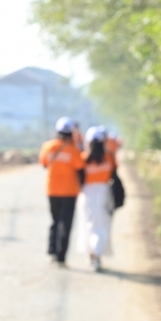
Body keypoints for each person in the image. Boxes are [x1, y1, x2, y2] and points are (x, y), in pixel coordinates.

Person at [39, 116, 85, 267]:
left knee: (54, 221)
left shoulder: (47, 146)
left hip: (52, 191)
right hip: (69, 192)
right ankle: (61, 257)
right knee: (66, 224)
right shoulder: (74, 150)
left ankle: (51, 251)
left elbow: (44, 164)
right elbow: (81, 171)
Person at [77, 126, 117, 271]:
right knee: (102, 226)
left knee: (88, 225)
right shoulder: (109, 157)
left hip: (87, 194)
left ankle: (92, 255)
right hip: (104, 193)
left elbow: (79, 178)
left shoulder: (83, 159)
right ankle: (97, 255)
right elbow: (114, 173)